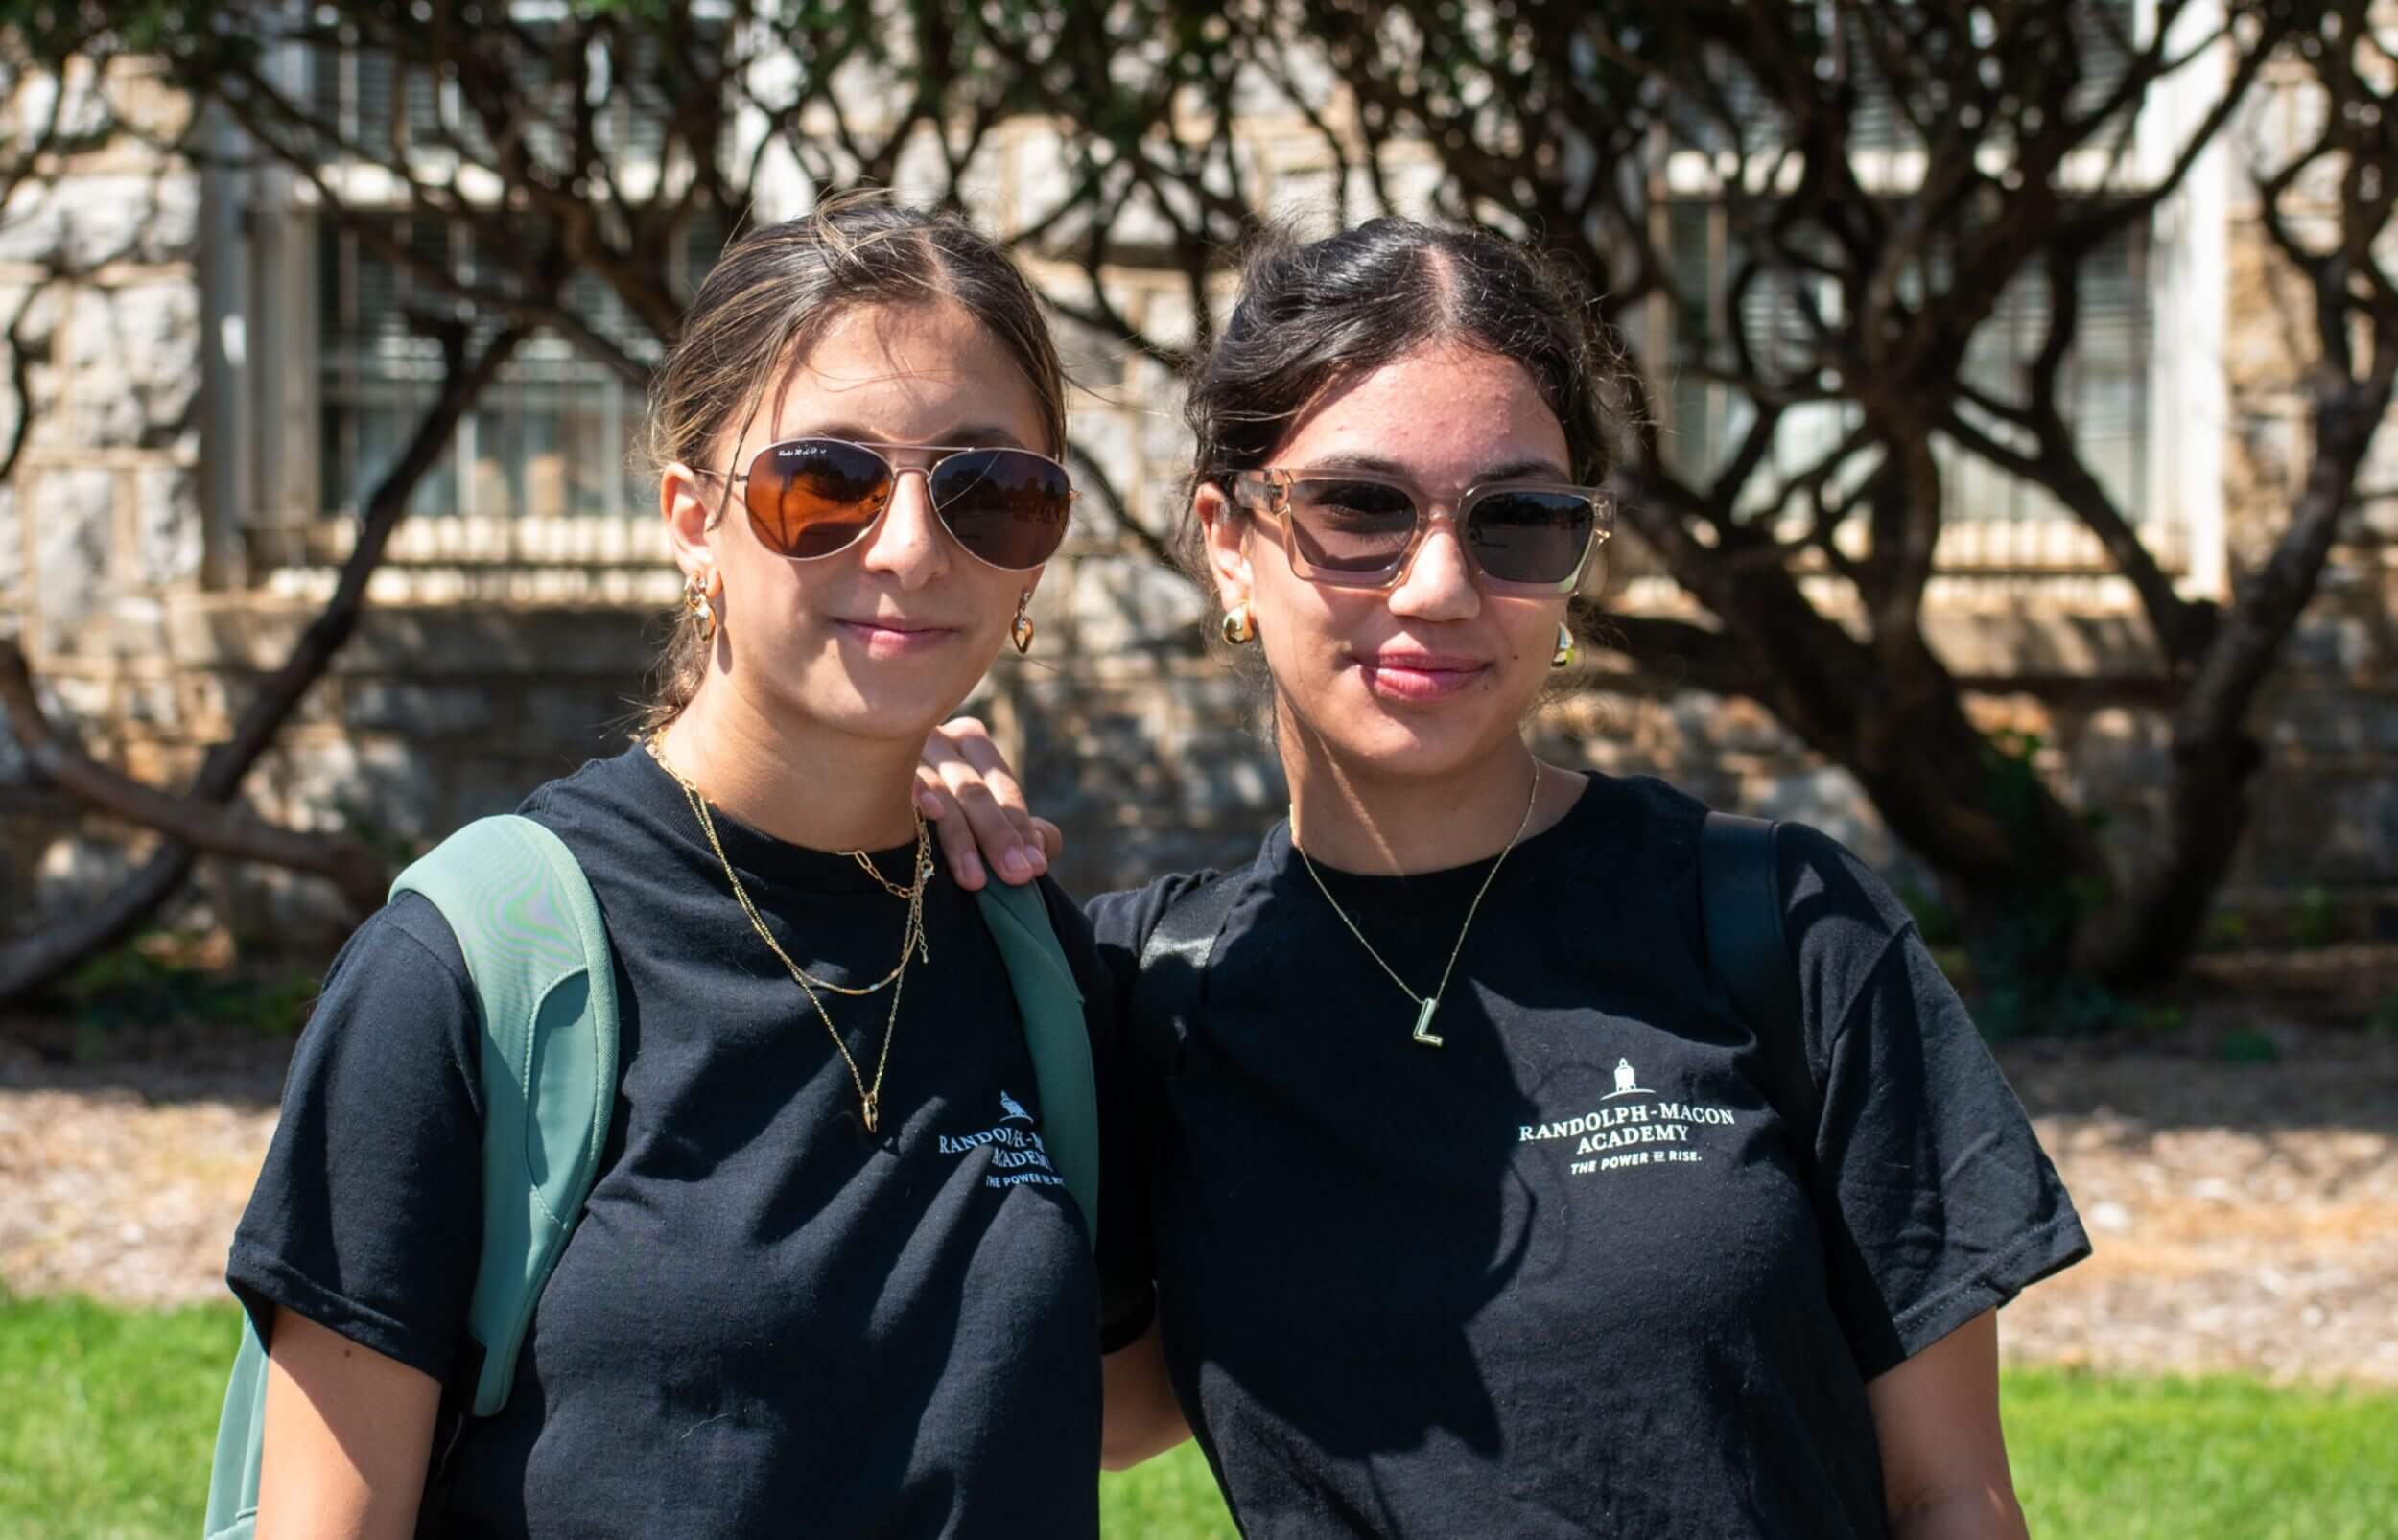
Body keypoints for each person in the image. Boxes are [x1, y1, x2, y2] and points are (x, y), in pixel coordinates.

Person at [919, 217, 2091, 1539]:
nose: (1439, 584)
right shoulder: (1142, 998)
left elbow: (1951, 1491)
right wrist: (881, 819)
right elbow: (1117, 1412)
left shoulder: (1779, 927)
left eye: (1517, 521)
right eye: (1359, 509)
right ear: (1230, 542)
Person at [224, 199, 1150, 1539]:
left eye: (987, 490)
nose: (906, 546)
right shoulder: (474, 968)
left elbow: (1124, 1399)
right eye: (824, 482)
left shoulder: (1024, 950)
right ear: (689, 519)